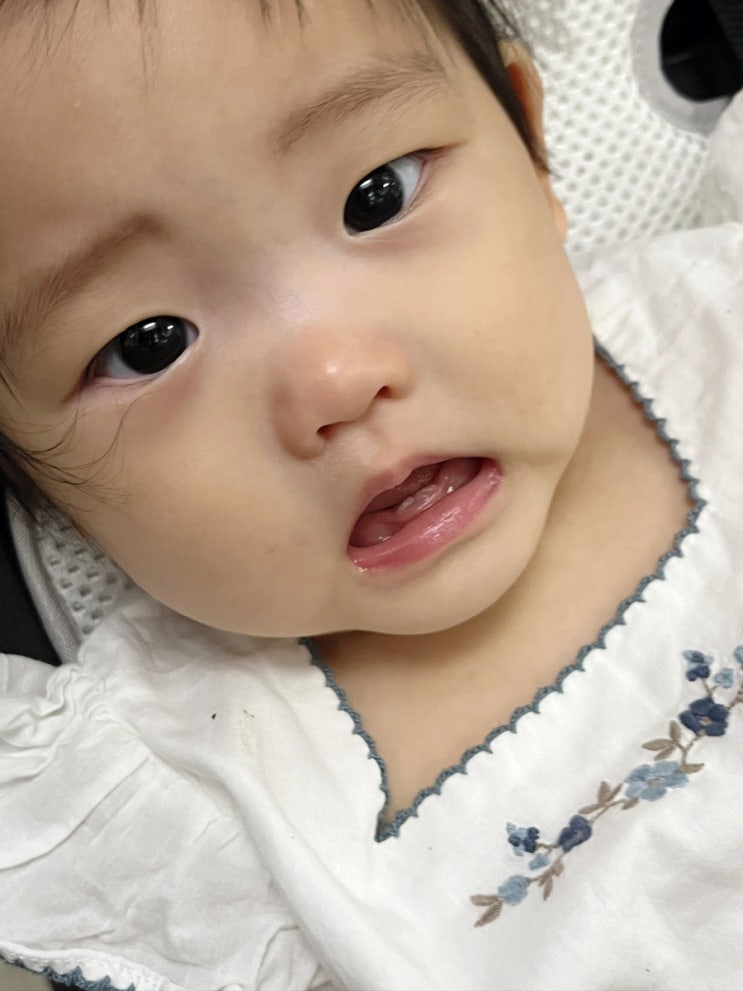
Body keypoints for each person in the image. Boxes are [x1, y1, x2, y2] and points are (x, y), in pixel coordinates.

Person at [0, 0, 741, 988]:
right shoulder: (188, 803)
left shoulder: (721, 317)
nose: (336, 382)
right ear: (47, 492)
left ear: (531, 149)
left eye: (375, 197)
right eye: (149, 344)